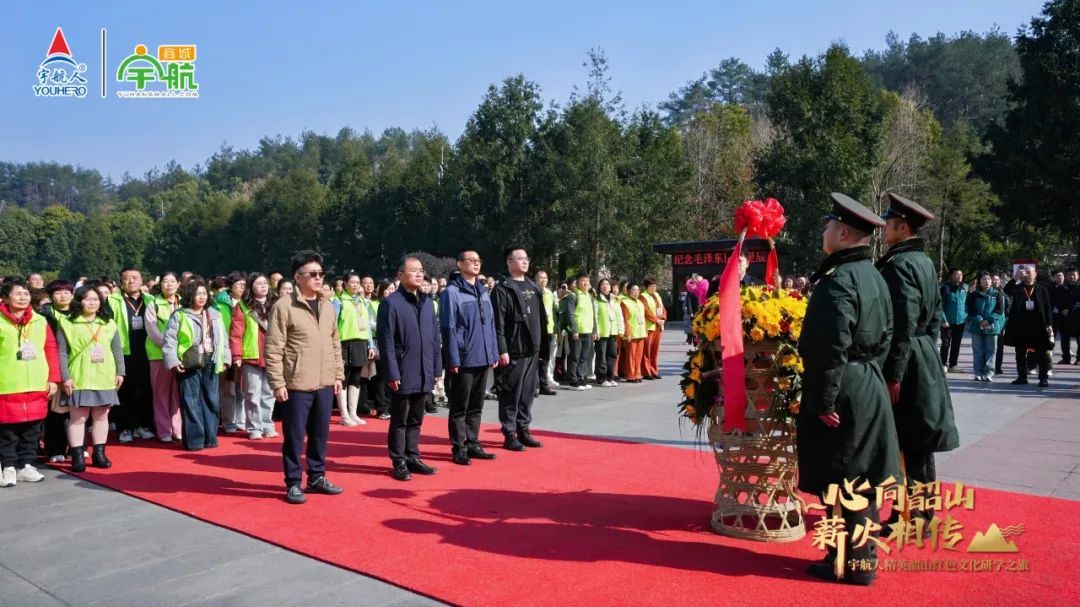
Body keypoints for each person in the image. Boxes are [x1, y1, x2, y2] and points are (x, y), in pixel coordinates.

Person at [798, 193, 898, 586]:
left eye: (827, 226)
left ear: (842, 233)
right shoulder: (873, 274)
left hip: (842, 386)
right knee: (860, 477)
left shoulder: (838, 281)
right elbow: (888, 333)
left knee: (843, 476)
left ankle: (854, 563)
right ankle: (850, 556)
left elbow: (830, 345)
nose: (824, 231)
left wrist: (824, 398)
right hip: (866, 379)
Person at [875, 192, 960, 529]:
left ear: (902, 226)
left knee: (907, 441)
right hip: (923, 352)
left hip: (906, 357)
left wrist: (893, 374)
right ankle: (922, 514)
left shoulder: (899, 265)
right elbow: (935, 317)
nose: (884, 230)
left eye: (889, 224)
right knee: (920, 443)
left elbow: (901, 323)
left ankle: (909, 516)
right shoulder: (924, 262)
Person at [266, 251, 346, 504]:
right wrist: (277, 383)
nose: (318, 278)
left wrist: (338, 374)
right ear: (297, 277)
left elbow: (335, 342)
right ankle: (292, 482)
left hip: (324, 380)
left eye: (321, 274)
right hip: (297, 383)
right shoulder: (284, 306)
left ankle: (317, 476)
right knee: (294, 436)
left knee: (320, 434)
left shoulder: (327, 304)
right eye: (312, 274)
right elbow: (274, 347)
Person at [377, 257, 442, 481]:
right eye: (413, 271)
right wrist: (392, 372)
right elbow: (385, 342)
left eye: (421, 271)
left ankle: (413, 456)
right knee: (400, 419)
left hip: (425, 368)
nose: (418, 274)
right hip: (404, 369)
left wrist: (436, 368)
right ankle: (399, 460)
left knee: (416, 418)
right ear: (400, 275)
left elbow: (434, 338)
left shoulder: (427, 302)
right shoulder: (391, 303)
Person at [57, 285, 126, 472]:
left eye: (96, 299)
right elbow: (62, 353)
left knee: (102, 417)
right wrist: (65, 377)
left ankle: (99, 453)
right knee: (78, 418)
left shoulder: (109, 323)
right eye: (88, 299)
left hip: (105, 375)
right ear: (79, 301)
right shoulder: (67, 323)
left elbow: (117, 350)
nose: (93, 302)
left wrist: (120, 372)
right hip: (79, 376)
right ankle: (77, 455)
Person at [440, 250, 500, 466]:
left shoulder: (483, 291)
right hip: (464, 358)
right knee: (459, 405)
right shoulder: (452, 293)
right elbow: (448, 328)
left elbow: (491, 325)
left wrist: (493, 351)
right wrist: (453, 358)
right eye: (471, 260)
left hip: (483, 356)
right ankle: (458, 446)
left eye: (478, 260)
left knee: (477, 404)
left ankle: (473, 442)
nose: (476, 264)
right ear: (459, 264)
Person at [0, 278, 60, 486]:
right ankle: (8, 466)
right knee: (7, 430)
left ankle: (26, 464)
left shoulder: (40, 320)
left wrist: (53, 378)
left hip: (36, 381)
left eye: (26, 293)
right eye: (18, 293)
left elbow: (50, 349)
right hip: (6, 383)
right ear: (6, 297)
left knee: (32, 429)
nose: (23, 297)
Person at [162, 277, 230, 452]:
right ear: (189, 295)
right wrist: (173, 361)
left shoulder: (215, 314)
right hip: (188, 361)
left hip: (211, 359)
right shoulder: (180, 314)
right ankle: (194, 441)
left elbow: (223, 339)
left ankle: (210, 437)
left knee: (211, 400)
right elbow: (170, 340)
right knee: (190, 401)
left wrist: (225, 359)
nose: (202, 297)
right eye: (197, 293)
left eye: (204, 293)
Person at [491, 246, 548, 451]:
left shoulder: (533, 286)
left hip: (533, 348)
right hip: (514, 349)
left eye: (526, 258)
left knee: (527, 392)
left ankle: (523, 429)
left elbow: (541, 318)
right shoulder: (502, 288)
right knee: (511, 393)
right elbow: (497, 323)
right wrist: (502, 349)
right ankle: (509, 432)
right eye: (520, 258)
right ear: (509, 262)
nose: (525, 262)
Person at [108, 268, 156, 443]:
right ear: (121, 282)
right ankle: (125, 427)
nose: (131, 281)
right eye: (126, 278)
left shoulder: (150, 300)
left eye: (135, 278)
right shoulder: (112, 300)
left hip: (147, 351)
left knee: (145, 390)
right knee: (124, 392)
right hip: (124, 350)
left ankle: (142, 426)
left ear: (141, 280)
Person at [229, 272, 279, 440]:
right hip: (251, 355)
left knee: (269, 393)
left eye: (265, 283)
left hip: (272, 355)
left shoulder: (276, 304)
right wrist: (236, 355)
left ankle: (267, 425)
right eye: (258, 283)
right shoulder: (243, 306)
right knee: (251, 393)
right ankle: (254, 428)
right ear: (251, 287)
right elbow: (236, 333)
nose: (263, 286)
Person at [146, 272, 183, 443]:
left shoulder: (184, 302)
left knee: (177, 393)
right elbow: (153, 331)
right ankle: (164, 430)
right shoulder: (153, 304)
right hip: (159, 355)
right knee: (161, 394)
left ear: (178, 284)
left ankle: (178, 429)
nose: (169, 284)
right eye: (165, 281)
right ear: (160, 285)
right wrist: (169, 347)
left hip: (182, 355)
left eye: (172, 281)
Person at [40, 279, 74, 463]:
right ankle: (55, 448)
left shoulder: (79, 313)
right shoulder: (44, 315)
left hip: (75, 364)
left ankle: (77, 447)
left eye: (67, 292)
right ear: (51, 295)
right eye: (58, 292)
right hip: (52, 363)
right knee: (55, 410)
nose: (63, 295)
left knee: (77, 409)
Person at [1001, 266, 1053, 387]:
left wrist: (1049, 324)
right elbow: (1006, 291)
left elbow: (1048, 307)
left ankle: (1043, 378)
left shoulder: (1042, 289)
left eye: (1029, 272)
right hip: (1020, 326)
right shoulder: (1018, 287)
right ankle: (1022, 377)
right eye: (1024, 273)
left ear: (1035, 274)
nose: (1027, 275)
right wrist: (1015, 278)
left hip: (1038, 326)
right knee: (1020, 353)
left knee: (1042, 353)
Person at [335, 272, 375, 427]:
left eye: (358, 282)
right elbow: (332, 325)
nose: (356, 285)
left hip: (361, 342)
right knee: (344, 378)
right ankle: (344, 414)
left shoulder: (363, 302)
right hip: (344, 343)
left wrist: (370, 344)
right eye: (352, 282)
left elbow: (367, 326)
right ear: (345, 283)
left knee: (356, 379)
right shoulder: (338, 301)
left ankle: (353, 412)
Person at [214, 272, 247, 433]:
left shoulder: (249, 303)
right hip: (226, 349)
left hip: (246, 350)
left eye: (244, 284)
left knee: (243, 388)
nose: (242, 288)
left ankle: (241, 420)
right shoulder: (219, 304)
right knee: (228, 388)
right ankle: (228, 421)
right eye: (239, 285)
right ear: (230, 287)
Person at [967, 272, 1006, 382]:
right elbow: (970, 310)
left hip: (992, 326)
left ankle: (989, 373)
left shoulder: (997, 294)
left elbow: (999, 310)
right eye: (984, 279)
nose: (987, 281)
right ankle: (978, 372)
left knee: (991, 350)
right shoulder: (973, 295)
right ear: (979, 281)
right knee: (978, 350)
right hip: (976, 326)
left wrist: (988, 320)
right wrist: (980, 320)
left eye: (989, 279)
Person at [561, 274, 596, 391]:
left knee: (583, 357)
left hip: (588, 331)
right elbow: (570, 314)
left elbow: (593, 315)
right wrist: (574, 329)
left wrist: (594, 330)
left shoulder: (589, 296)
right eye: (583, 281)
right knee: (574, 357)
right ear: (578, 282)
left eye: (587, 281)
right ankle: (573, 380)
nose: (585, 283)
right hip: (577, 332)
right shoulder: (573, 295)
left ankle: (581, 378)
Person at [535, 270, 559, 393]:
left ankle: (544, 384)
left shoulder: (549, 293)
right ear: (536, 279)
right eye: (541, 278)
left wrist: (555, 328)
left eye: (545, 278)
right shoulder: (533, 291)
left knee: (545, 358)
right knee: (535, 358)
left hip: (549, 329)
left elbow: (553, 313)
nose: (543, 280)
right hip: (537, 329)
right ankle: (535, 385)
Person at [594, 278, 621, 387]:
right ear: (599, 287)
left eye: (607, 284)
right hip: (602, 332)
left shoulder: (614, 300)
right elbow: (595, 316)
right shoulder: (596, 300)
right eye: (603, 285)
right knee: (601, 355)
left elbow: (619, 315)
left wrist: (621, 328)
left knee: (612, 355)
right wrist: (596, 330)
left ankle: (610, 377)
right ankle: (601, 378)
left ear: (610, 287)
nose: (605, 286)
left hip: (612, 331)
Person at [939, 268, 967, 373]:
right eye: (956, 274)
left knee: (956, 344)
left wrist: (965, 316)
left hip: (960, 322)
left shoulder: (965, 287)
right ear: (951, 276)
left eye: (961, 274)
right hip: (947, 322)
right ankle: (942, 364)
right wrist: (943, 319)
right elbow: (939, 305)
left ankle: (953, 365)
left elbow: (967, 303)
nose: (959, 276)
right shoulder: (945, 288)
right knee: (945, 344)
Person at [619, 283, 647, 383]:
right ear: (628, 291)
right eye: (633, 290)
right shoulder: (624, 303)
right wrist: (628, 333)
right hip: (632, 333)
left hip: (641, 332)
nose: (636, 292)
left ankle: (638, 374)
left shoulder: (640, 302)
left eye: (637, 290)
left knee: (639, 355)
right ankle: (630, 375)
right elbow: (625, 320)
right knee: (631, 355)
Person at [641, 279, 667, 379]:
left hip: (659, 326)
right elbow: (646, 311)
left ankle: (654, 370)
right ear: (646, 287)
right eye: (651, 286)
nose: (654, 288)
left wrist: (663, 318)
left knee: (655, 350)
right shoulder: (643, 296)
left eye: (655, 286)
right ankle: (646, 371)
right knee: (647, 350)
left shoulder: (657, 295)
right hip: (650, 326)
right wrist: (656, 320)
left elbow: (663, 308)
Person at [1050, 270, 1074, 364]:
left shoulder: (1067, 288)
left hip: (1064, 316)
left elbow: (1071, 300)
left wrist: (1067, 309)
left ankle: (1066, 358)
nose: (1060, 278)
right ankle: (1048, 357)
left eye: (1062, 276)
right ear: (1054, 278)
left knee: (1065, 338)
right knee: (1051, 337)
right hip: (1053, 316)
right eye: (1058, 276)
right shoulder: (1049, 288)